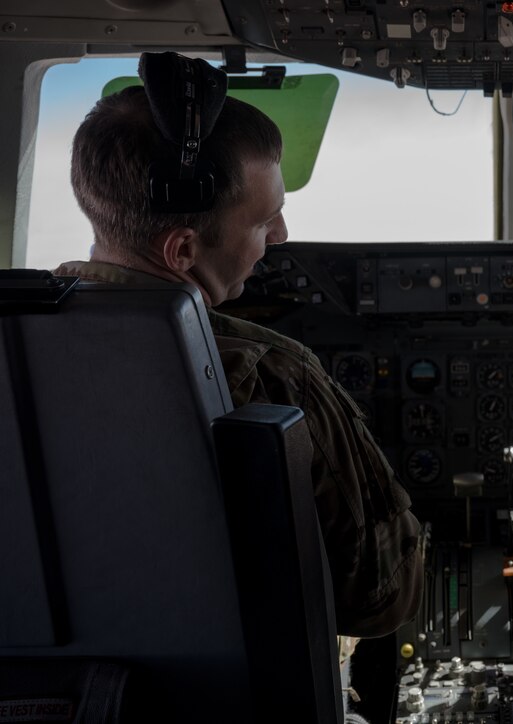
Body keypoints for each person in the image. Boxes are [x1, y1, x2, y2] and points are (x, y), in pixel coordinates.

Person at [56, 52, 422, 638]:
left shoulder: (13, 345)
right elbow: (381, 600)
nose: (281, 235)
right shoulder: (272, 372)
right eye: (264, 221)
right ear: (182, 250)